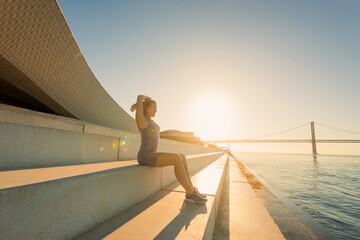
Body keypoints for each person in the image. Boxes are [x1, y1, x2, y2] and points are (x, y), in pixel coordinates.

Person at [130, 95, 207, 204]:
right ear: (146, 109)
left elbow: (143, 108)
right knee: (176, 158)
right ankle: (190, 194)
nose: (156, 110)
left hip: (152, 154)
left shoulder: (151, 122)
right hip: (145, 156)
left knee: (182, 156)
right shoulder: (142, 121)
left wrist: (141, 105)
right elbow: (139, 103)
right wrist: (139, 100)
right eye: (153, 108)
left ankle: (191, 190)